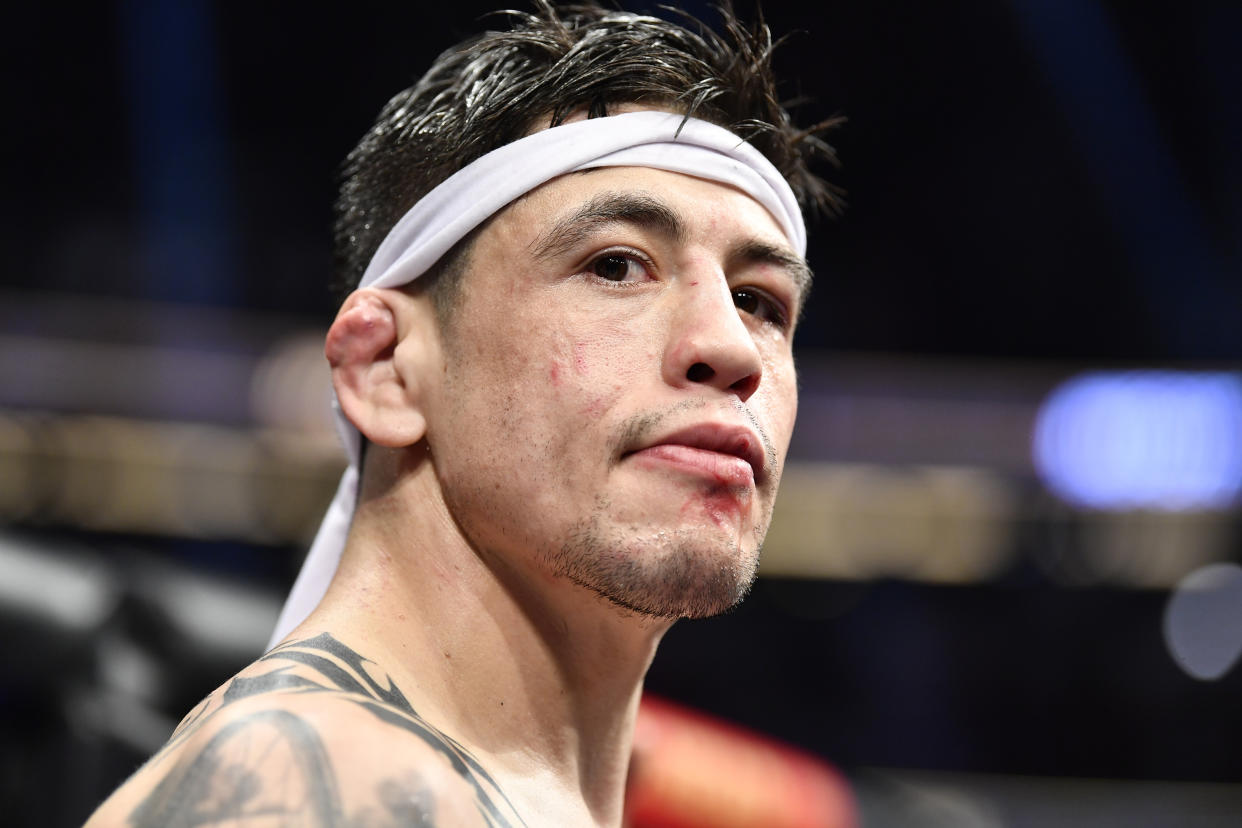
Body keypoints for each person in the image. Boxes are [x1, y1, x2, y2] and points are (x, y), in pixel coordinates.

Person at [85, 2, 838, 825]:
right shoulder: (304, 784)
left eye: (760, 302)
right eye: (617, 265)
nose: (728, 347)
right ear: (384, 371)